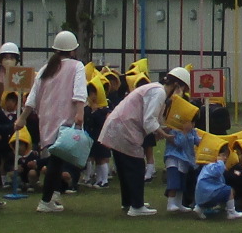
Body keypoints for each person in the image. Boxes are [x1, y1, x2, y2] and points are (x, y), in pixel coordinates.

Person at [95, 64, 190, 217]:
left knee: (125, 167)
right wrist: (163, 134)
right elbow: (149, 120)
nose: (181, 93)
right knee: (136, 167)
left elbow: (153, 119)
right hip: (125, 128)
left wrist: (162, 129)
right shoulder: (159, 92)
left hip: (118, 126)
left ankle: (129, 202)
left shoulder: (155, 89)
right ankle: (136, 206)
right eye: (182, 88)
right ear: (177, 85)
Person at [26, 32, 86, 214]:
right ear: (73, 50)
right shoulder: (77, 66)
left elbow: (33, 96)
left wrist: (22, 117)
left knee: (56, 160)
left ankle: (52, 196)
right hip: (66, 120)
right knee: (56, 161)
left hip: (47, 119)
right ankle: (45, 201)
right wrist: (80, 113)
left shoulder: (46, 68)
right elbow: (79, 92)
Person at [195, 152, 242, 220]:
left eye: (226, 156)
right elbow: (217, 172)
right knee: (229, 190)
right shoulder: (214, 165)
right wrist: (221, 162)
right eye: (223, 155)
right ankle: (231, 213)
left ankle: (199, 208)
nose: (225, 158)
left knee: (223, 190)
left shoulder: (207, 165)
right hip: (208, 193)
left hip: (201, 195)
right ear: (216, 155)